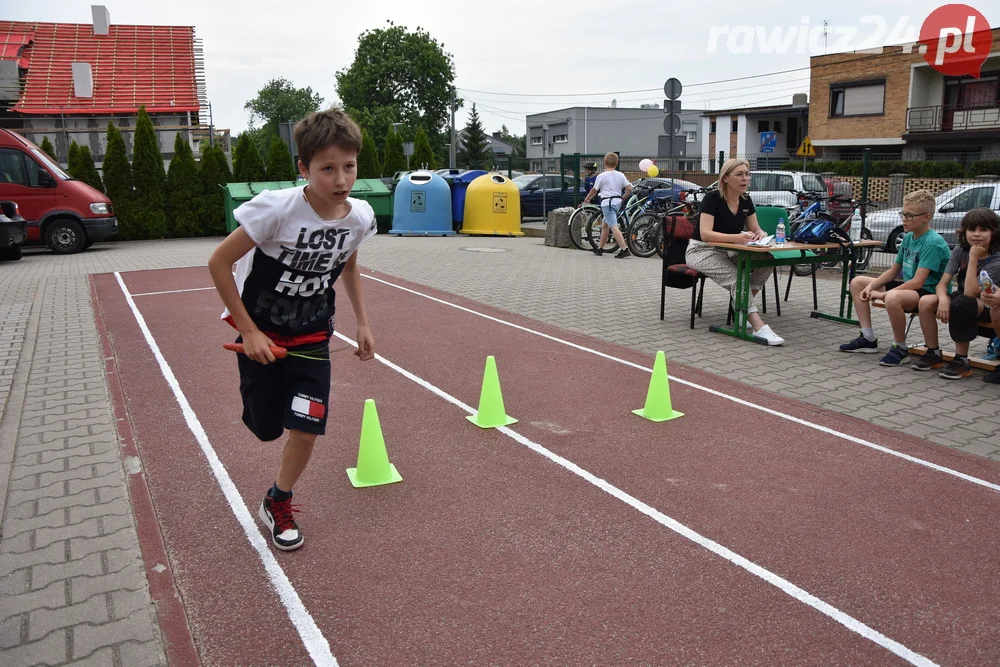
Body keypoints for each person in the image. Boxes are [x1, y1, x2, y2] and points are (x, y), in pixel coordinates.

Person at [207, 108, 377, 551]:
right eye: (327, 169)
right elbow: (218, 263)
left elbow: (350, 261)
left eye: (349, 167)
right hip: (261, 333)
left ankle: (277, 501)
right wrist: (249, 333)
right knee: (266, 428)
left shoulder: (359, 217)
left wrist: (362, 322)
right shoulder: (276, 209)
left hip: (312, 336)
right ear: (303, 168)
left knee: (306, 426)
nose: (341, 180)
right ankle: (263, 399)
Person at [839, 189, 950, 366]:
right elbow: (893, 271)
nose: (904, 219)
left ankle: (900, 348)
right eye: (903, 214)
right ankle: (868, 338)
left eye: (910, 216)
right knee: (858, 282)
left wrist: (882, 295)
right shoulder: (908, 237)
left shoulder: (932, 242)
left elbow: (918, 282)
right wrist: (872, 286)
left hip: (928, 291)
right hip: (910, 287)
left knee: (892, 297)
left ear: (926, 217)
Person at [685, 158, 784, 345]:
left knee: (765, 260)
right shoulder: (712, 198)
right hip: (702, 250)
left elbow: (756, 228)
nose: (744, 179)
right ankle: (759, 327)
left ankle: (741, 309)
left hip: (729, 250)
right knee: (737, 278)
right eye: (739, 174)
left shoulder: (746, 200)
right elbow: (706, 234)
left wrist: (760, 233)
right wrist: (738, 238)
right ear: (725, 179)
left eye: (747, 174)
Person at [914, 208, 1000, 379]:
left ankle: (962, 360)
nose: (976, 234)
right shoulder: (961, 250)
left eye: (983, 230)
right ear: (964, 231)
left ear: (994, 233)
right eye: (971, 229)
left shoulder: (996, 258)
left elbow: (971, 292)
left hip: (987, 302)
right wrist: (943, 298)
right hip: (963, 299)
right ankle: (933, 353)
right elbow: (942, 283)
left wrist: (974, 258)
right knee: (926, 302)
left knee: (961, 303)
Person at [581, 152, 632, 258]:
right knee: (605, 225)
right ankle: (600, 248)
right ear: (617, 163)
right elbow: (629, 189)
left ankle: (624, 249)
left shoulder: (601, 176)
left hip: (607, 203)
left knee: (613, 226)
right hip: (617, 203)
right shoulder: (620, 175)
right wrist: (623, 198)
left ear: (604, 163)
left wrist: (587, 199)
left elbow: (594, 190)